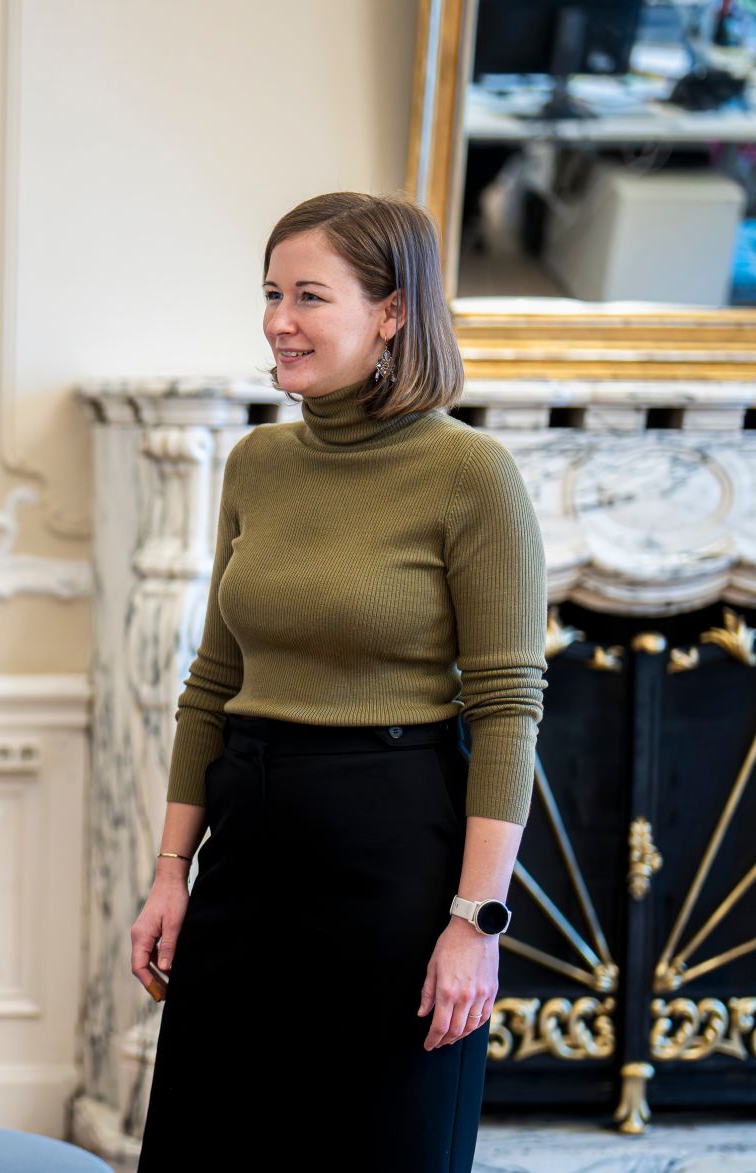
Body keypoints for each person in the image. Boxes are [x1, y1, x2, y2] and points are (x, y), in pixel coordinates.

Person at [130, 192, 545, 1170]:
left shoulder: (470, 474)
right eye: (271, 293)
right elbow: (211, 680)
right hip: (245, 849)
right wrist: (167, 873)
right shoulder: (257, 463)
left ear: (391, 314)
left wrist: (473, 924)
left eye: (308, 295)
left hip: (392, 864)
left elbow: (505, 713)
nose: (279, 319)